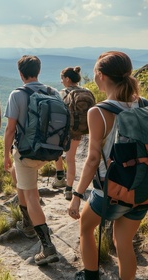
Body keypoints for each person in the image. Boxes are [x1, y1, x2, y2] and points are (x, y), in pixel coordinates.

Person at [68, 51, 148, 280]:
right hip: (141, 186)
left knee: (85, 228)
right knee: (123, 243)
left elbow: (93, 159)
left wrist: (77, 194)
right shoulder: (142, 103)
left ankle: (90, 276)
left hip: (111, 190)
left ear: (101, 76)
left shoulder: (99, 112)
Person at [3, 55, 60, 266]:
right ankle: (27, 221)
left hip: (27, 154)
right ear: (39, 70)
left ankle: (47, 247)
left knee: (32, 196)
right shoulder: (53, 92)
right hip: (49, 152)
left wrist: (5, 155)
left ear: (20, 73)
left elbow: (10, 129)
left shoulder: (17, 94)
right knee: (21, 180)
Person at [52, 66, 93, 200]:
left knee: (57, 152)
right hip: (78, 129)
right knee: (71, 159)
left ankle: (59, 177)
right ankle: (69, 190)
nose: (61, 81)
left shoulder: (63, 93)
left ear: (68, 79)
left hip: (63, 129)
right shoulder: (87, 91)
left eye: (62, 78)